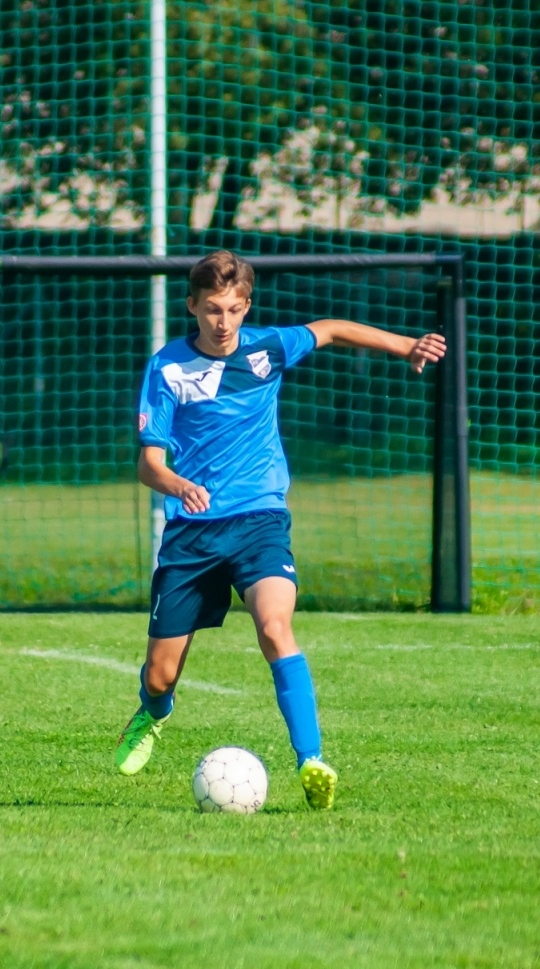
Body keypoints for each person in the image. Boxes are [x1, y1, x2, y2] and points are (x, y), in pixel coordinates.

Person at [114, 250, 446, 809]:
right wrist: (177, 486)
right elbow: (149, 463)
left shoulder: (268, 347)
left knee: (274, 627)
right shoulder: (168, 368)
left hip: (260, 519)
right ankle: (153, 714)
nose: (224, 323)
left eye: (235, 309)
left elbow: (332, 329)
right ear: (192, 305)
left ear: (247, 308)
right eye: (213, 309)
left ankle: (312, 761)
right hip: (192, 533)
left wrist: (405, 346)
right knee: (160, 676)